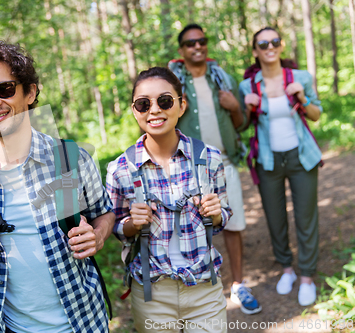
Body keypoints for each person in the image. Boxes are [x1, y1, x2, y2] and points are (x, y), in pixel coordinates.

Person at [0, 37, 115, 333]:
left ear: (30, 93)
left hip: (83, 321)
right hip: (7, 326)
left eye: (4, 89)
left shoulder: (71, 159)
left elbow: (105, 213)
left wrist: (97, 237)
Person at [107, 67, 230, 333]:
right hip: (151, 293)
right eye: (143, 104)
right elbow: (115, 226)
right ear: (134, 110)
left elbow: (222, 217)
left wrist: (217, 214)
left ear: (181, 105)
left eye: (164, 101)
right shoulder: (120, 169)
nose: (154, 110)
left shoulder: (209, 158)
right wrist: (132, 223)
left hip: (204, 288)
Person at [168, 23, 262, 315]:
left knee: (232, 226)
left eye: (202, 41)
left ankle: (238, 285)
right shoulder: (174, 84)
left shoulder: (223, 79)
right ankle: (198, 292)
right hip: (185, 167)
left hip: (224, 163)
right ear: (182, 51)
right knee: (187, 229)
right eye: (190, 43)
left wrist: (235, 107)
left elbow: (241, 125)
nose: (197, 46)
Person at [239, 27, 322, 306]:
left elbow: (316, 114)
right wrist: (247, 108)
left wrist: (303, 97)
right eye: (263, 43)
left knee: (306, 216)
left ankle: (307, 276)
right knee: (275, 219)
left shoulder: (300, 78)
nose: (269, 47)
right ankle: (287, 269)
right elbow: (242, 125)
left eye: (275, 41)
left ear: (281, 45)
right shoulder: (248, 85)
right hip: (268, 161)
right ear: (255, 50)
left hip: (301, 158)